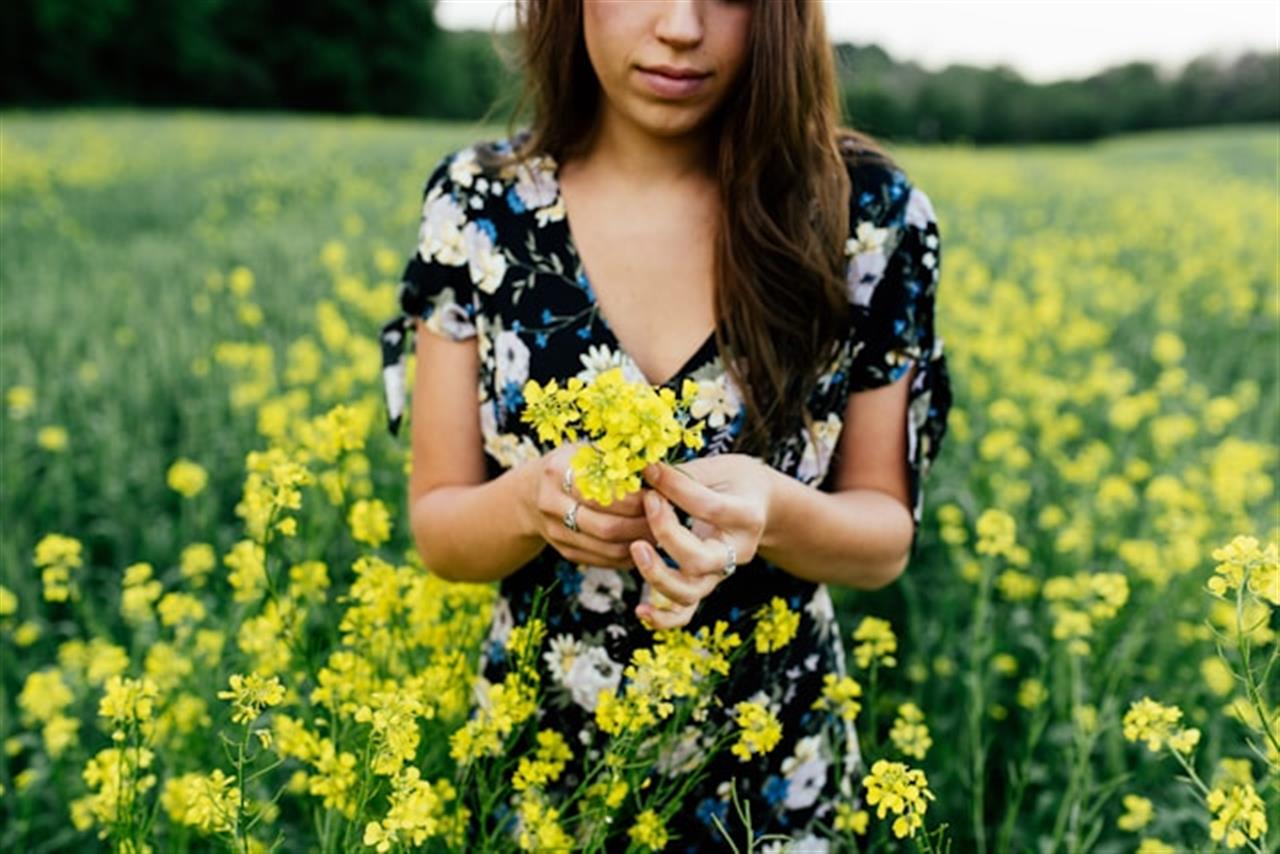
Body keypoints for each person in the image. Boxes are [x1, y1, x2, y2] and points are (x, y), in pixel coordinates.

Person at [377, 0, 952, 850]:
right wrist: (532, 501)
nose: (682, 26)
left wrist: (774, 512)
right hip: (542, 775)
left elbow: (883, 541)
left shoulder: (866, 214)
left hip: (769, 779)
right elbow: (440, 530)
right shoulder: (476, 206)